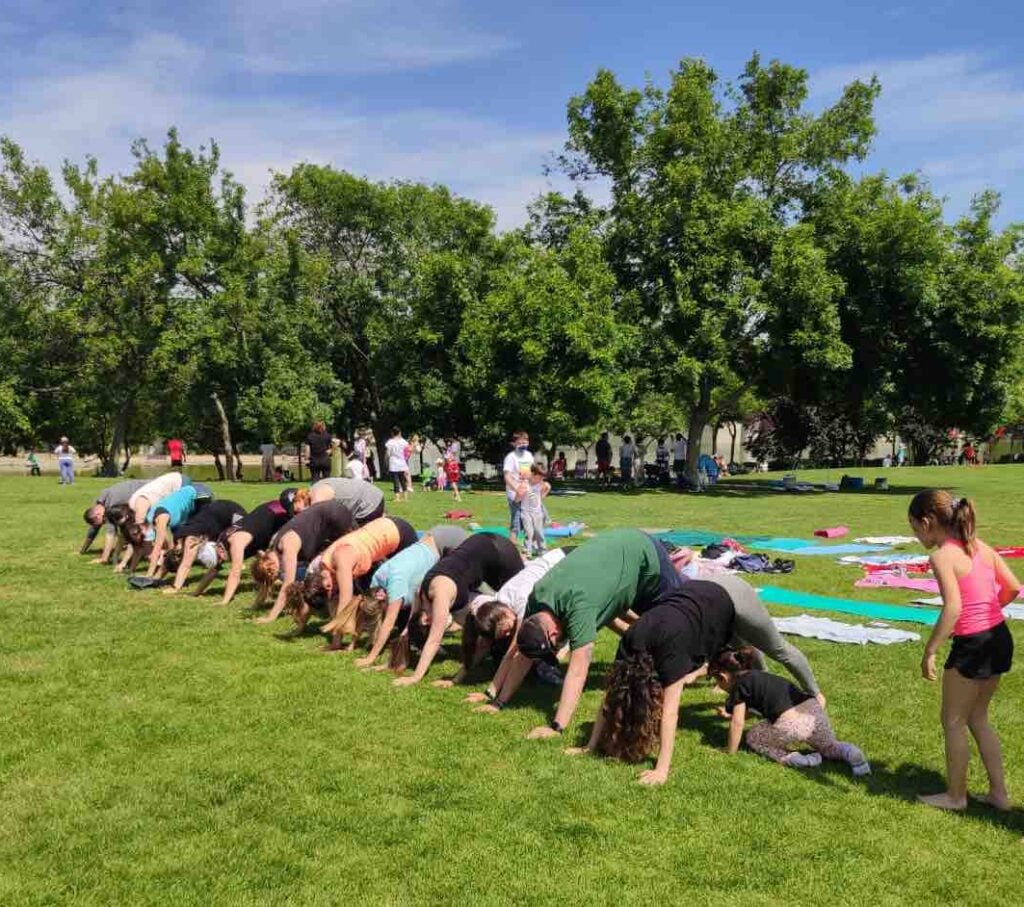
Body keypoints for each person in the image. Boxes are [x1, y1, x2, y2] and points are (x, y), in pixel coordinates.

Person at [477, 529, 684, 736]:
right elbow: (523, 656)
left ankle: (708, 662)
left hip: (644, 555)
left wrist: (556, 727)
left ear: (552, 633)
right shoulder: (537, 599)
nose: (558, 647)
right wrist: (498, 703)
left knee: (683, 618)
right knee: (654, 625)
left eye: (554, 645)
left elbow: (577, 670)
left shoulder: (578, 607)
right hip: (616, 553)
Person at [908, 490, 1020, 811]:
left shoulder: (942, 556)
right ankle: (999, 794)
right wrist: (988, 614)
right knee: (978, 718)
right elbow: (1012, 586)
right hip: (999, 637)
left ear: (928, 523)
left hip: (974, 644)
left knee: (954, 721)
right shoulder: (980, 547)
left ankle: (956, 796)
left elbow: (953, 608)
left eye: (915, 528)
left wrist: (930, 650)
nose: (916, 535)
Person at [564, 581, 737, 783]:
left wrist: (661, 770)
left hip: (718, 603)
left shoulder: (672, 654)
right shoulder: (629, 642)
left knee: (726, 659)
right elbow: (610, 696)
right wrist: (589, 746)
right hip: (681, 600)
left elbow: (670, 712)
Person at [392, 532, 524, 686]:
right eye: (428, 625)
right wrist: (397, 658)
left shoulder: (439, 595)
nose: (429, 621)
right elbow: (407, 629)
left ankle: (542, 665)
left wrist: (415, 677)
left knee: (519, 615)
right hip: (480, 545)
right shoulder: (420, 593)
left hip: (498, 552)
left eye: (426, 622)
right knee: (497, 635)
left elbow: (434, 640)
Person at [712, 648, 870, 774]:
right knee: (828, 746)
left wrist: (730, 751)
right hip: (813, 712)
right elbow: (756, 709)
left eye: (716, 682)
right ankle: (849, 752)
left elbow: (737, 723)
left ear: (723, 677)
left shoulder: (739, 685)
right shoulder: (759, 676)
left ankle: (797, 759)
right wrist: (729, 714)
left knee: (754, 737)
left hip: (791, 723)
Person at [301, 516, 420, 649]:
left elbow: (344, 604)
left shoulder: (341, 560)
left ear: (326, 584)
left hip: (400, 534)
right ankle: (396, 634)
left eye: (332, 590)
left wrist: (336, 643)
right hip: (385, 530)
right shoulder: (324, 566)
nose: (335, 589)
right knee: (375, 593)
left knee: (402, 592)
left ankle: (413, 638)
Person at [456, 548, 568, 686]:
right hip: (556, 569)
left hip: (566, 561)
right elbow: (483, 646)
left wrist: (491, 692)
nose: (509, 633)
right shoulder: (497, 604)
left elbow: (512, 653)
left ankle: (551, 664)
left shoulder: (521, 602)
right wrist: (456, 679)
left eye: (507, 630)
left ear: (504, 614)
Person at [191, 490, 307, 606]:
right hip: (266, 524)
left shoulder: (236, 543)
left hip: (277, 513)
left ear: (219, 550)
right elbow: (212, 571)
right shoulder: (220, 544)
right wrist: (197, 592)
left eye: (220, 559)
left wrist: (224, 601)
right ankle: (260, 601)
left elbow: (235, 573)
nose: (221, 561)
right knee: (266, 565)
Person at [254, 500, 358, 622]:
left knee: (353, 554)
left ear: (269, 564)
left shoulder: (287, 545)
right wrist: (257, 604)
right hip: (329, 518)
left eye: (273, 573)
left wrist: (271, 616)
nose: (276, 575)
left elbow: (288, 584)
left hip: (334, 516)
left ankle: (350, 609)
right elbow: (266, 582)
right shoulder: (273, 550)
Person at [164, 500, 247, 592]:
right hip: (216, 512)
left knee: (244, 542)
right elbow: (172, 558)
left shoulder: (190, 540)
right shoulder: (177, 538)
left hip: (232, 513)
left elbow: (186, 565)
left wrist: (175, 587)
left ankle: (260, 559)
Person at [81, 478, 148, 562]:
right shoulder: (100, 500)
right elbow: (94, 529)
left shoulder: (110, 507)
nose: (104, 523)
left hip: (150, 492)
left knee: (143, 527)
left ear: (98, 515)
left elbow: (110, 534)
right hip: (145, 488)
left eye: (103, 522)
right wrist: (83, 550)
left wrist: (104, 558)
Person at [310, 476, 385, 523]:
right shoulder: (315, 488)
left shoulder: (317, 499)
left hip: (369, 504)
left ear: (300, 500)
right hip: (373, 493)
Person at [502, 431, 534, 537]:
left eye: (525, 442)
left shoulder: (529, 455)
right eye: (520, 443)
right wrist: (516, 488)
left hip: (527, 492)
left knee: (528, 520)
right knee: (516, 521)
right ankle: (512, 544)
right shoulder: (511, 457)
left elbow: (532, 472)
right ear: (514, 444)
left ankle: (528, 546)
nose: (523, 445)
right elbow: (507, 476)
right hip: (514, 493)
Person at [521, 464, 550, 557]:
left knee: (539, 532)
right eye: (540, 476)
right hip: (526, 511)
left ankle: (542, 550)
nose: (541, 479)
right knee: (529, 532)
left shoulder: (540, 484)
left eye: (543, 477)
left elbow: (540, 498)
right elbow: (523, 496)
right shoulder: (526, 484)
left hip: (537, 512)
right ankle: (527, 551)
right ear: (533, 474)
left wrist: (546, 490)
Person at [385, 427, 410, 502]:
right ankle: (405, 497)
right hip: (402, 463)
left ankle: (397, 497)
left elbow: (388, 453)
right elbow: (407, 450)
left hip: (393, 463)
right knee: (402, 480)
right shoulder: (403, 441)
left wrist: (386, 461)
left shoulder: (390, 442)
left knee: (396, 481)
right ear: (399, 433)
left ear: (392, 433)